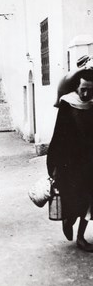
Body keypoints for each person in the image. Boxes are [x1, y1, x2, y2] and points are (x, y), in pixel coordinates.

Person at [47, 70, 93, 252]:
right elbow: (59, 135)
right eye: (83, 89)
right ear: (77, 87)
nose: (86, 94)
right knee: (74, 198)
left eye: (90, 90)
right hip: (70, 162)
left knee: (90, 201)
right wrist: (55, 164)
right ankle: (68, 220)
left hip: (90, 161)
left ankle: (81, 237)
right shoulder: (67, 104)